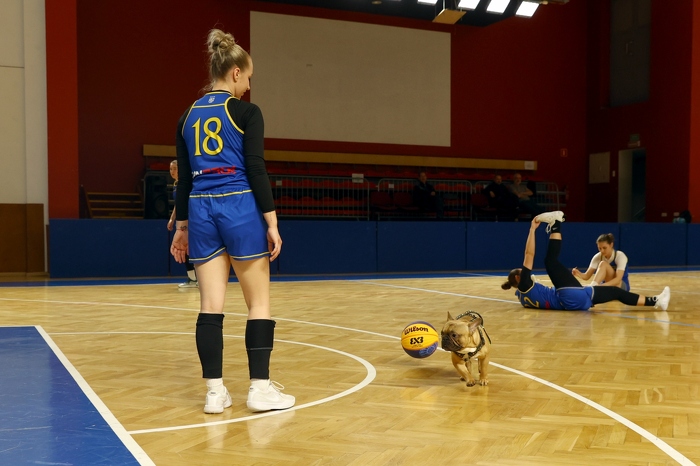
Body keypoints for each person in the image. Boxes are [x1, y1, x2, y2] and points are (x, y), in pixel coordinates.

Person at [170, 29, 294, 414]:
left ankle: (214, 393)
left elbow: (184, 180)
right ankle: (259, 389)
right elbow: (255, 168)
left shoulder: (187, 116)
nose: (249, 86)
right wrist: (271, 222)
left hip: (200, 208)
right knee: (259, 302)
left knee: (210, 305)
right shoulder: (246, 113)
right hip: (239, 205)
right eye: (249, 77)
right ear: (236, 72)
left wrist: (181, 228)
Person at [501, 211, 670, 311]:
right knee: (549, 261)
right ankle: (556, 222)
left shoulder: (521, 296)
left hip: (577, 303)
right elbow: (529, 254)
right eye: (522, 272)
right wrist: (532, 230)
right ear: (518, 278)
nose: (527, 273)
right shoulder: (523, 284)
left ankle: (656, 301)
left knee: (616, 293)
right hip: (567, 296)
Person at [167, 160, 198, 288]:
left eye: (175, 168)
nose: (172, 171)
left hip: (190, 220)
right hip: (182, 221)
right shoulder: (176, 184)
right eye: (171, 169)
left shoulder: (187, 184)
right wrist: (172, 218)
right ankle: (192, 278)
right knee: (184, 249)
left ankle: (197, 278)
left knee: (189, 248)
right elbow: (178, 204)